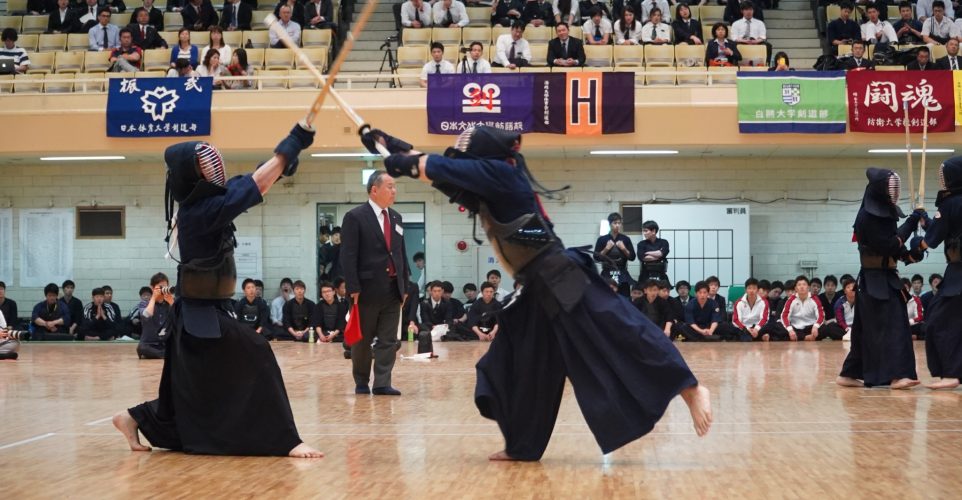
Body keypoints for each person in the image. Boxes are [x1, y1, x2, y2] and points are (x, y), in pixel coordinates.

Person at [362, 124, 711, 461]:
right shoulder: (488, 181)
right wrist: (385, 142)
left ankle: (690, 389)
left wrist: (396, 161)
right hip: (535, 287)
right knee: (520, 363)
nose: (462, 164)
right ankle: (522, 446)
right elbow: (437, 171)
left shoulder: (499, 173)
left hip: (561, 274)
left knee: (623, 332)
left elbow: (427, 166)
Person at [114, 120, 324, 457]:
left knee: (193, 385)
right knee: (258, 351)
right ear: (192, 175)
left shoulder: (209, 203)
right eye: (204, 163)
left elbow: (257, 184)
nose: (214, 166)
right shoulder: (199, 212)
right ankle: (287, 439)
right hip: (200, 314)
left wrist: (284, 162)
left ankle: (132, 418)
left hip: (208, 311)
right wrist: (292, 143)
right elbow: (255, 184)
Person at [837, 168, 922, 390]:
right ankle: (898, 375)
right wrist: (911, 223)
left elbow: (894, 251)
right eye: (890, 186)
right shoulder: (867, 216)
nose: (894, 191)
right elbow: (888, 244)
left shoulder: (885, 213)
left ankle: (850, 373)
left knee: (866, 330)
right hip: (875, 281)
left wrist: (913, 253)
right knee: (895, 327)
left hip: (884, 278)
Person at [340, 170, 411, 396]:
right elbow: (348, 256)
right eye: (389, 186)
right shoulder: (355, 216)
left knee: (389, 340)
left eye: (395, 186)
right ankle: (361, 381)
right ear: (374, 190)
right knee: (362, 339)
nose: (394, 191)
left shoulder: (397, 218)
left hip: (392, 289)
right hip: (366, 290)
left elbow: (401, 254)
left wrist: (405, 285)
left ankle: (382, 383)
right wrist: (353, 287)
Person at [907, 156, 962, 389]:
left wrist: (916, 243)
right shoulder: (952, 204)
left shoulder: (950, 203)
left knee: (938, 322)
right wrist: (926, 218)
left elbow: (932, 241)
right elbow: (944, 228)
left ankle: (951, 374)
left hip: (959, 274)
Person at [594, 212, 635, 296]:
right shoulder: (602, 239)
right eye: (615, 223)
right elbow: (596, 257)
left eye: (619, 223)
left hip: (622, 271)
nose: (617, 225)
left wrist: (624, 249)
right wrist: (606, 248)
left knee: (624, 298)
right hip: (607, 271)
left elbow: (632, 257)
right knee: (606, 297)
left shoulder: (625, 239)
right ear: (610, 224)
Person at [139, 273, 173, 359]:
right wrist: (153, 298)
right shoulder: (144, 303)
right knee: (142, 348)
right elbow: (147, 315)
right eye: (160, 287)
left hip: (166, 343)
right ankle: (167, 354)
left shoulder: (170, 303)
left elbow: (180, 318)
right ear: (152, 287)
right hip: (149, 344)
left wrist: (172, 302)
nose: (163, 290)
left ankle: (165, 354)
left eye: (165, 287)